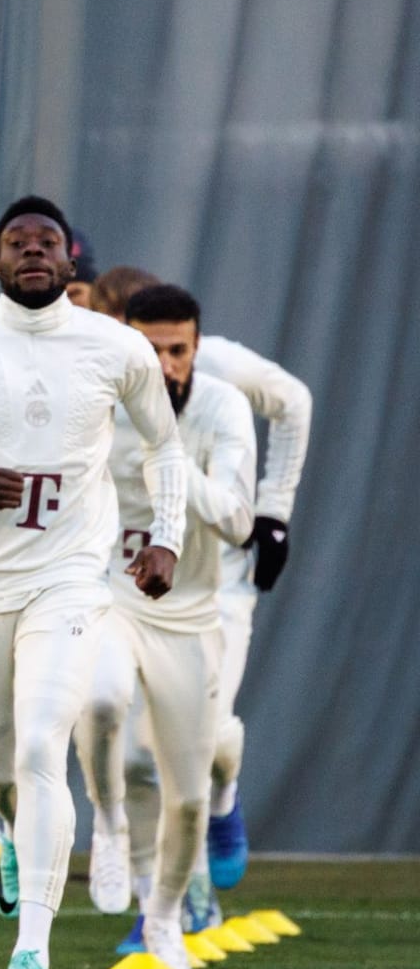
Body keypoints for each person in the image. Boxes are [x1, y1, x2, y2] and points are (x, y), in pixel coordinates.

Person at [0, 196, 187, 969]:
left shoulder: (116, 346)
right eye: (16, 242)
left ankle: (32, 946)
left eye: (47, 242)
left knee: (46, 741)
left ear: (71, 261)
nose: (33, 252)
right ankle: (11, 832)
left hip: (72, 576)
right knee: (4, 767)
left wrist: (166, 536)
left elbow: (163, 445)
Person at [89, 264, 313, 889]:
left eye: (170, 346)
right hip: (130, 582)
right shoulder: (97, 382)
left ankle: (222, 795)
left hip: (217, 581)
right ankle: (155, 898)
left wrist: (275, 511)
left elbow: (293, 402)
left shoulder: (218, 375)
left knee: (204, 735)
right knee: (131, 741)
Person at [75, 284, 254, 969]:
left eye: (176, 350)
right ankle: (112, 826)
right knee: (103, 707)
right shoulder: (99, 409)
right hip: (112, 598)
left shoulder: (223, 406)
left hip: (192, 613)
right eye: (150, 350)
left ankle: (166, 914)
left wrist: (170, 459)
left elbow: (238, 520)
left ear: (196, 350)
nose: (164, 364)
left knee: (189, 794)